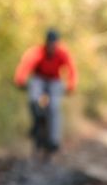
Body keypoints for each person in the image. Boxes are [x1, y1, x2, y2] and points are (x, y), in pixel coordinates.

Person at [13, 28, 77, 156]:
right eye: (50, 43)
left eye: (54, 44)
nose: (52, 47)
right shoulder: (37, 52)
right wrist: (20, 79)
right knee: (34, 99)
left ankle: (54, 140)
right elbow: (25, 65)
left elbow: (71, 70)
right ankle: (36, 124)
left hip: (54, 81)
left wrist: (71, 86)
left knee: (54, 107)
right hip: (39, 78)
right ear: (46, 42)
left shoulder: (62, 53)